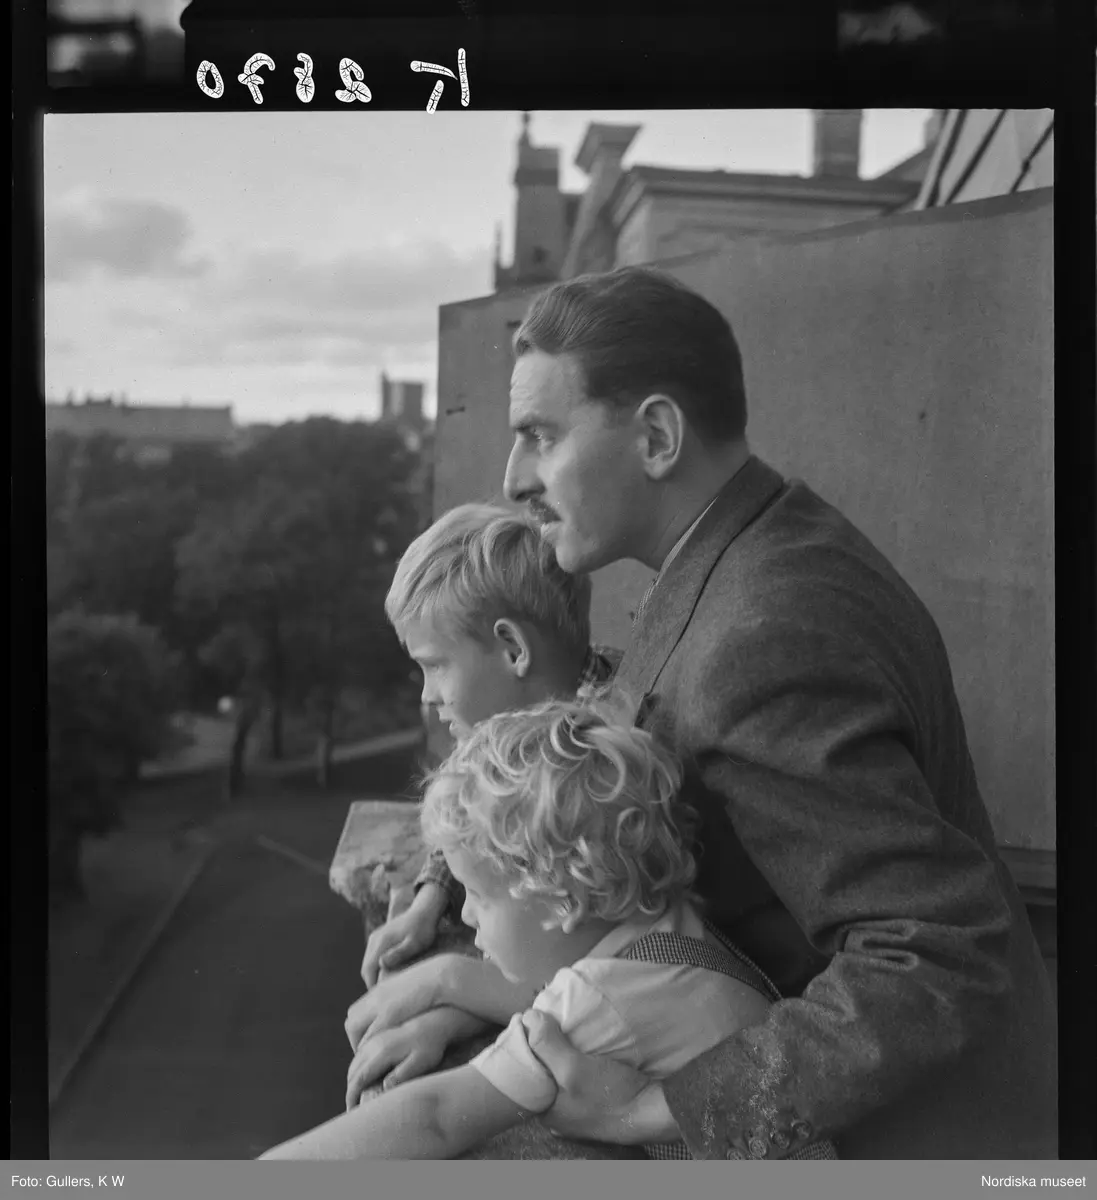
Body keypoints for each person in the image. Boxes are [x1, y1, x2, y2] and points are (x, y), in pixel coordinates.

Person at [488, 264, 1058, 1159]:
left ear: (657, 436)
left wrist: (654, 1112)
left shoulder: (762, 633)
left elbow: (935, 953)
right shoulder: (761, 551)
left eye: (539, 435)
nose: (514, 476)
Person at [260, 699, 837, 1160]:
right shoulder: (671, 921)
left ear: (562, 900)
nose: (465, 915)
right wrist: (451, 995)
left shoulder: (594, 1004)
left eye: (480, 896)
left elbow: (436, 1118)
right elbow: (556, 1002)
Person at [344, 502, 617, 1099]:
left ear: (512, 649)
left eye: (434, 666)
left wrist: (450, 998)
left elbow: (603, 981)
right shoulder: (512, 725)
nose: (427, 695)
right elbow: (474, 809)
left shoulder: (603, 771)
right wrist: (431, 897)